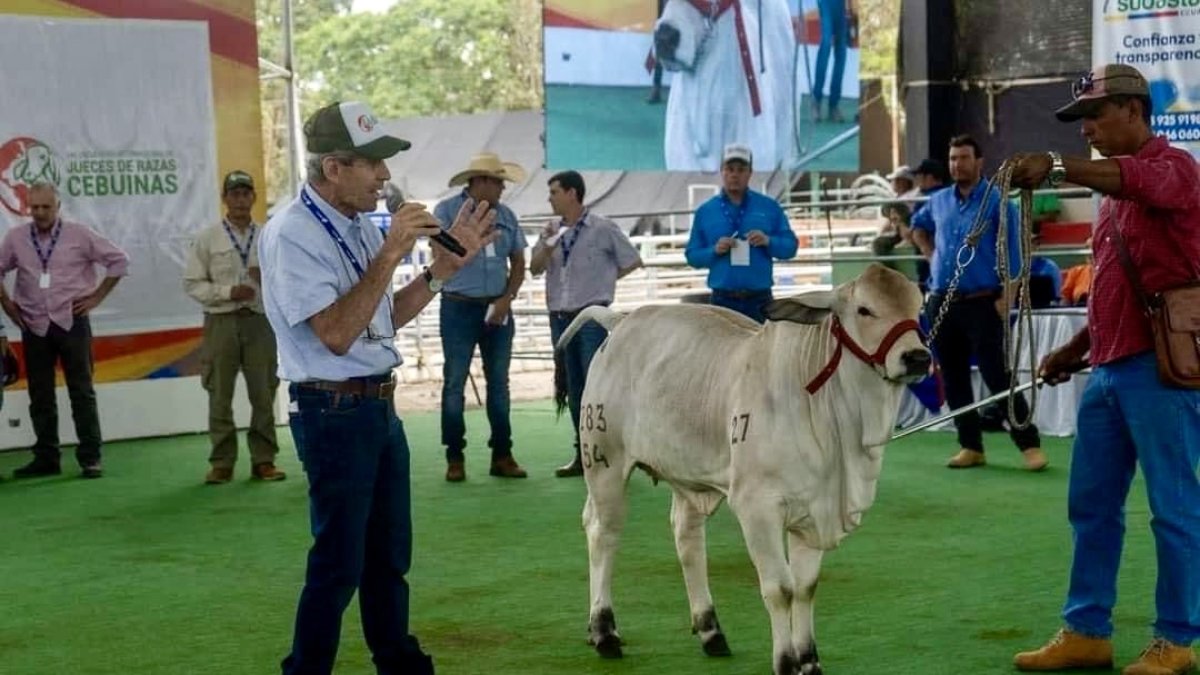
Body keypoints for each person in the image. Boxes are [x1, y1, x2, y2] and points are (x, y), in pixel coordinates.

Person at [259, 100, 498, 675]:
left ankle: (398, 661)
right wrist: (392, 252)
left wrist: (438, 275)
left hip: (374, 408)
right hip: (332, 409)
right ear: (333, 168)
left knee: (388, 556)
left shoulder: (359, 227)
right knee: (339, 562)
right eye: (373, 164)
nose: (385, 177)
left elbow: (381, 318)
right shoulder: (292, 234)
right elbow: (337, 333)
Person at [1010, 63, 1199, 675]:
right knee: (1091, 505)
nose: (1086, 126)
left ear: (1136, 111)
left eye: (1095, 113)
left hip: (1162, 373)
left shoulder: (1176, 170)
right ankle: (1087, 630)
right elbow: (1125, 291)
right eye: (1081, 118)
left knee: (1174, 508)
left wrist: (1059, 168)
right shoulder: (1113, 203)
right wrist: (1074, 350)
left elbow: (1136, 180)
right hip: (1112, 368)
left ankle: (1177, 641)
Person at [910, 134, 1047, 471]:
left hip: (984, 301)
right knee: (953, 376)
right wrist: (931, 256)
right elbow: (917, 227)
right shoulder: (938, 201)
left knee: (997, 374)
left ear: (979, 162)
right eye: (953, 158)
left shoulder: (999, 201)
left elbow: (1016, 252)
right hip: (941, 300)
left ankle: (1028, 444)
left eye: (964, 158)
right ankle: (970, 445)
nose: (958, 164)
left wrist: (1009, 296)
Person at [0, 182, 129, 480]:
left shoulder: (80, 235)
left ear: (58, 207)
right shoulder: (16, 238)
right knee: (40, 394)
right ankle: (46, 457)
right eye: (35, 208)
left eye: (46, 207)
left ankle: (90, 457)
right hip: (33, 325)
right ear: (28, 207)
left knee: (82, 391)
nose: (41, 213)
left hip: (72, 323)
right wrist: (7, 304)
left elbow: (120, 261)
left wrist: (96, 297)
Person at [529, 170, 642, 477]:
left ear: (572, 193)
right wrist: (547, 246)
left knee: (598, 387)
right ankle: (584, 452)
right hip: (561, 316)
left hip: (591, 315)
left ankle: (612, 452)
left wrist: (603, 283)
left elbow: (632, 260)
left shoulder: (602, 228)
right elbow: (534, 268)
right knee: (573, 386)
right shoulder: (549, 231)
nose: (550, 198)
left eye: (554, 192)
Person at [183, 170, 285, 484]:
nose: (240, 199)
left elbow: (287, 281)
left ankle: (264, 460)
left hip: (259, 321)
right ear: (225, 199)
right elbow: (192, 283)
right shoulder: (207, 238)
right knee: (219, 392)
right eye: (234, 194)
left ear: (254, 197)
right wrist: (227, 292)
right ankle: (222, 463)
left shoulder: (269, 236)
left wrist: (264, 278)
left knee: (264, 393)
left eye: (245, 193)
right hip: (221, 321)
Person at [433, 152, 528, 482]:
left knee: (498, 384)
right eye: (499, 182)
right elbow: (438, 255)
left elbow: (518, 263)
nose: (502, 188)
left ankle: (502, 453)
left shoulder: (507, 216)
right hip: (458, 305)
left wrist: (506, 299)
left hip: (496, 306)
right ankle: (454, 456)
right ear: (481, 182)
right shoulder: (446, 212)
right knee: (455, 383)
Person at [685, 143, 798, 323]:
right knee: (721, 350)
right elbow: (692, 256)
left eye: (741, 169)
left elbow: (791, 247)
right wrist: (714, 250)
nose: (734, 175)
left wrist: (769, 241)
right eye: (729, 169)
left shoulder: (769, 207)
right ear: (722, 171)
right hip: (722, 300)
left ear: (750, 173)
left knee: (763, 351)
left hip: (760, 299)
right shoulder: (706, 211)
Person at [812, 0, 852, 123]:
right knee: (826, 44)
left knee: (841, 51)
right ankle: (816, 100)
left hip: (841, 4)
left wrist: (849, 6)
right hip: (826, 3)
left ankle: (834, 104)